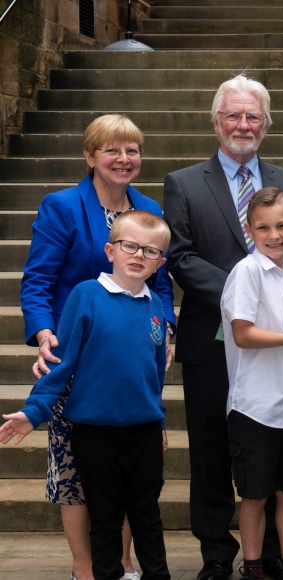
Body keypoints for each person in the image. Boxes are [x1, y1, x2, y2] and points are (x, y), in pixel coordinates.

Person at [164, 74, 283, 580]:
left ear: (267, 124)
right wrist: (245, 289)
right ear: (216, 122)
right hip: (211, 341)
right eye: (234, 115)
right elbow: (180, 257)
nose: (243, 124)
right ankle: (215, 553)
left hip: (276, 348)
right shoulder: (183, 183)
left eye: (253, 116)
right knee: (209, 452)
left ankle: (272, 551)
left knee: (270, 449)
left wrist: (274, 296)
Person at [20, 113, 176, 580]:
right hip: (75, 352)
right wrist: (46, 335)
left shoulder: (149, 208)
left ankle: (122, 564)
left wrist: (165, 327)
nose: (123, 159)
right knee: (76, 478)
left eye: (132, 151)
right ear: (90, 156)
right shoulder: (63, 206)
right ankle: (85, 567)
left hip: (126, 357)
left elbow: (162, 285)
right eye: (112, 150)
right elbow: (38, 281)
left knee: (127, 483)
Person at [220, 188, 283, 580]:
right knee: (254, 493)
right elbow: (243, 334)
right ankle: (255, 565)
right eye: (263, 227)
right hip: (255, 405)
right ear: (249, 230)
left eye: (282, 225)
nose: (273, 235)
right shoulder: (245, 272)